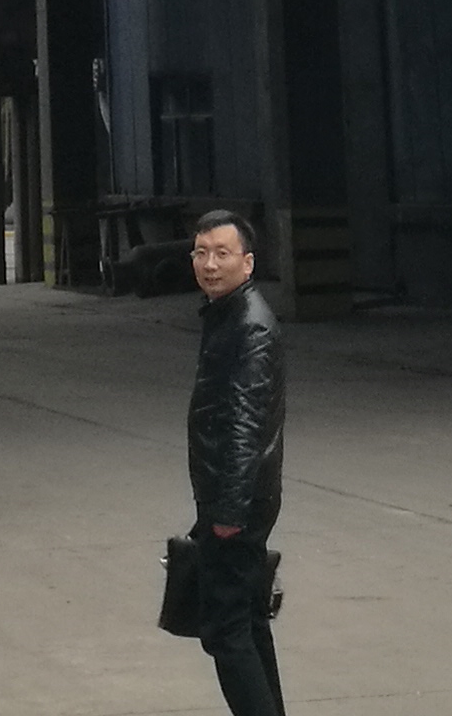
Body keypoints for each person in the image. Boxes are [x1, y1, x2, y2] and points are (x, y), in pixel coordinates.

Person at [182, 203, 289, 716]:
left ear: (247, 263)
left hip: (238, 504)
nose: (210, 264)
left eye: (222, 253)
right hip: (240, 496)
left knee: (224, 632)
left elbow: (245, 426)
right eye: (201, 252)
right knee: (247, 620)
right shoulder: (228, 315)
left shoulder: (249, 328)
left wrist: (225, 514)